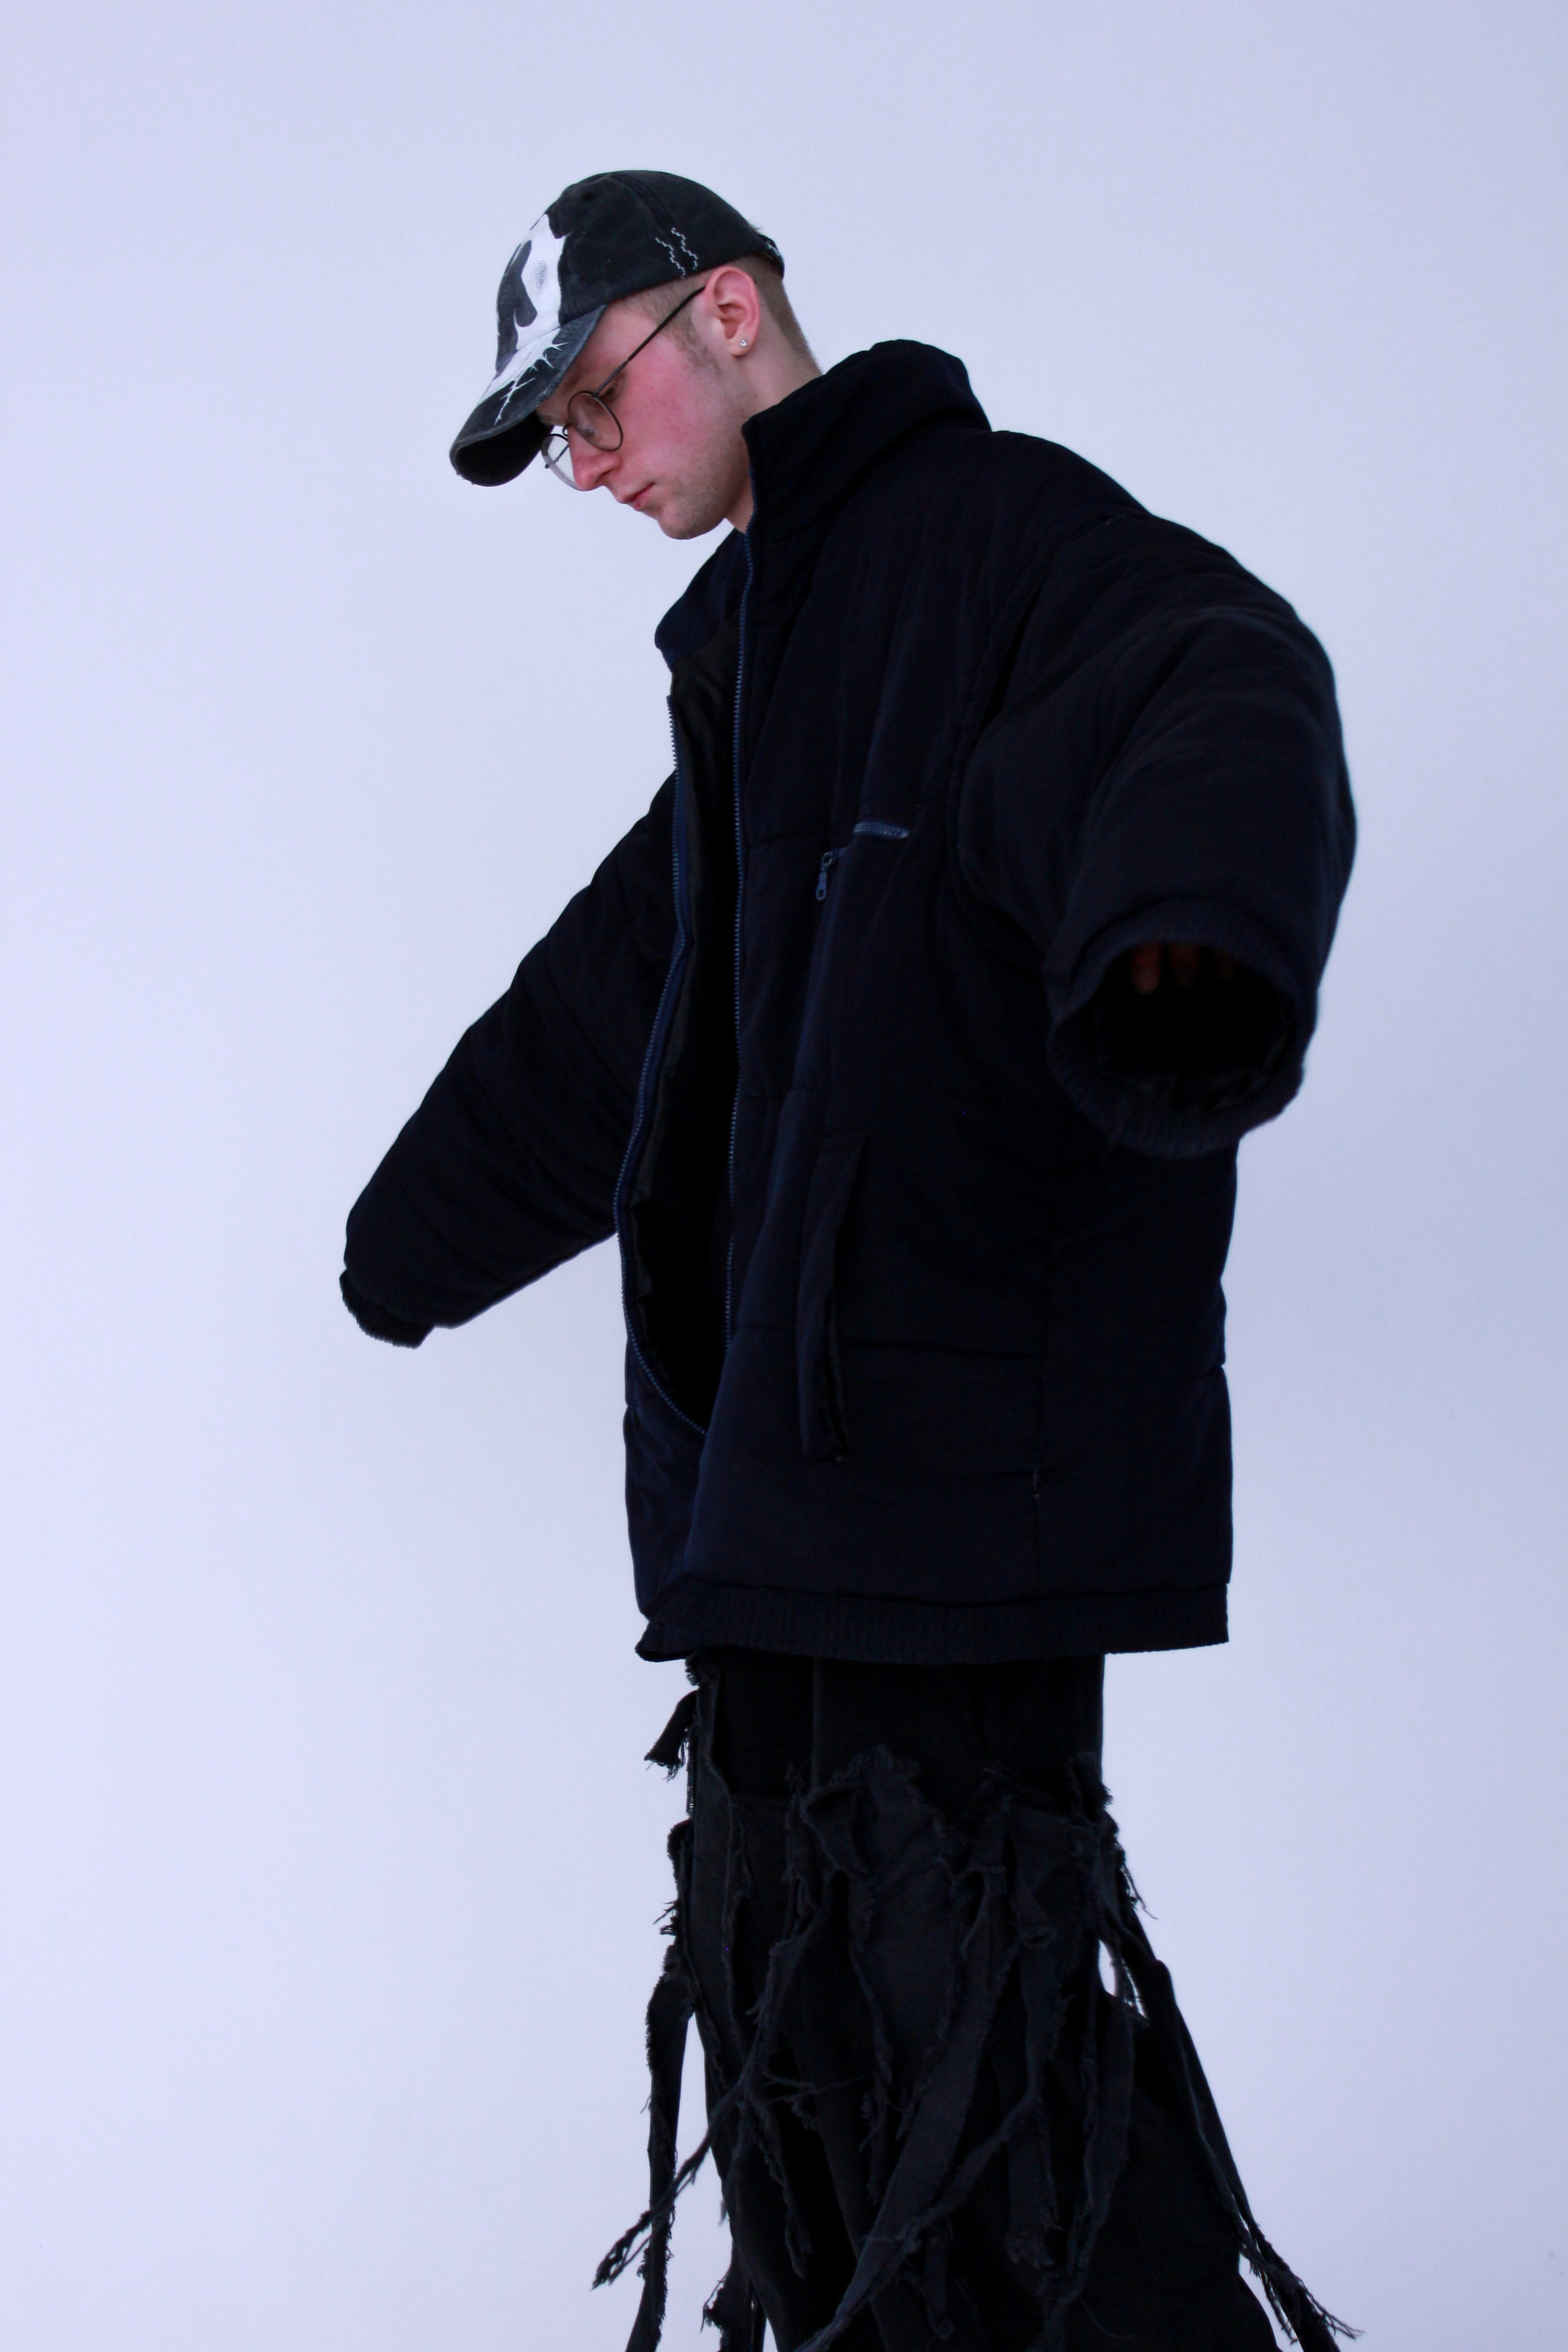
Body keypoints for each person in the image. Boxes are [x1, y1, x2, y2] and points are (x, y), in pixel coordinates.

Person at [340, 171, 1356, 2351]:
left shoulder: (994, 540)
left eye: (593, 403)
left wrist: (1182, 954)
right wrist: (408, 1240)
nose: (588, 469)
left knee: (989, 2100)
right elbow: (617, 1009)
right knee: (807, 2066)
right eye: (556, 441)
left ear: (725, 311)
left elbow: (1216, 682)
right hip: (773, 1534)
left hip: (950, 1511)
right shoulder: (766, 659)